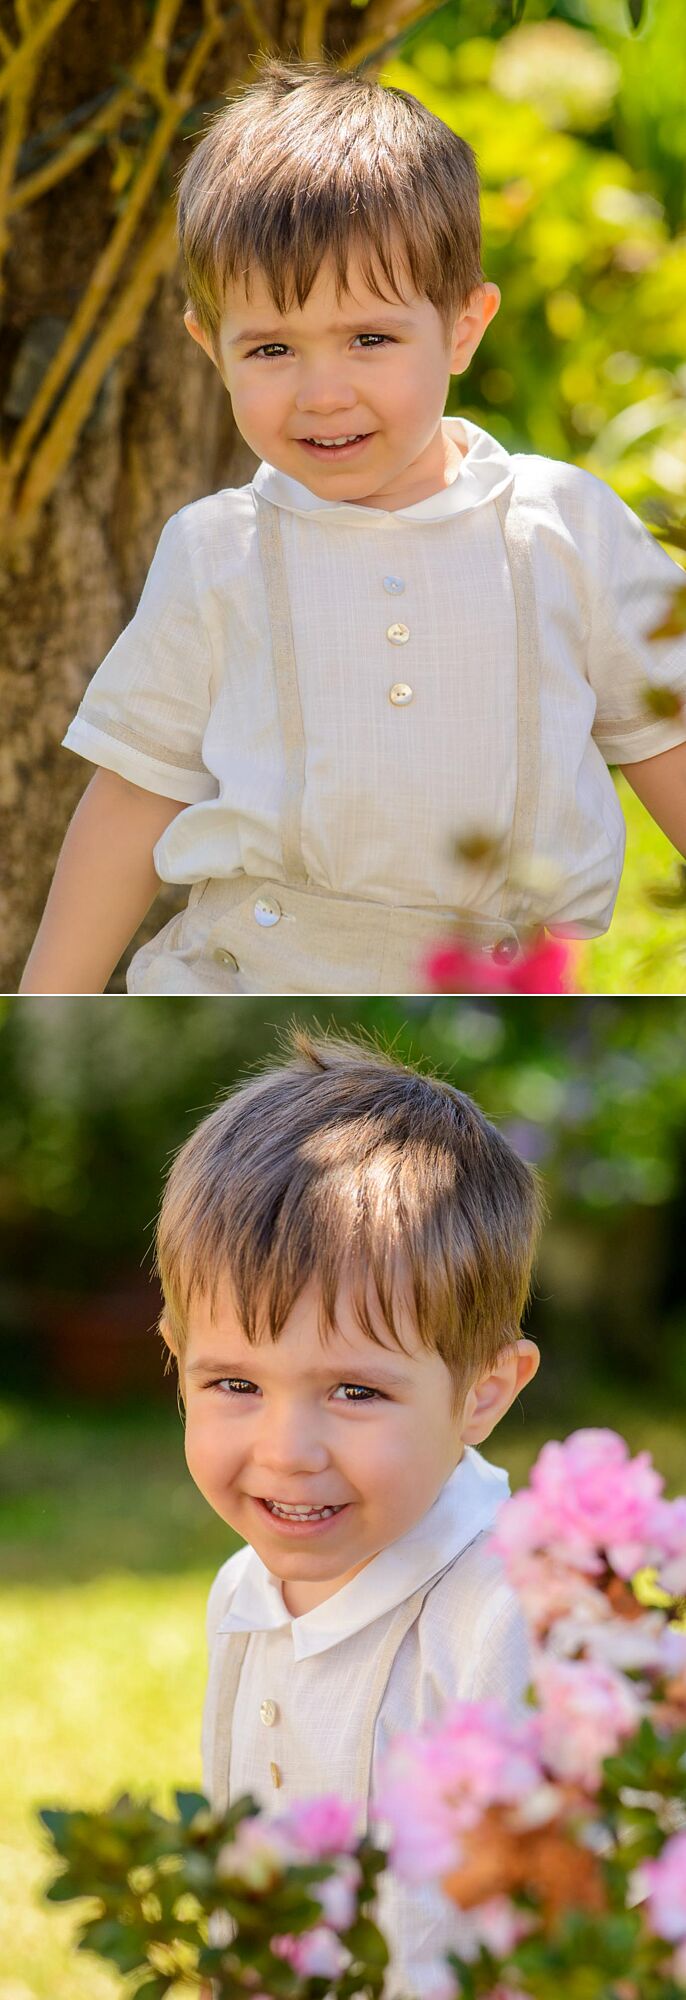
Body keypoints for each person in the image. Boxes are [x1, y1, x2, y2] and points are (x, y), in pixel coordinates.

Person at [20, 56, 686, 994]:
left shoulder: (565, 529)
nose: (323, 392)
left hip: (493, 993)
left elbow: (669, 741)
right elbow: (136, 792)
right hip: (240, 984)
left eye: (371, 339)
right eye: (273, 348)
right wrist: (50, 1009)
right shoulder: (219, 551)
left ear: (462, 326)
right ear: (211, 348)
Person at [154, 1024, 544, 1998]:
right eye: (235, 1381)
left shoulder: (504, 1613)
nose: (287, 1448)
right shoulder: (244, 1588)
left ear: (483, 1391)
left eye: (355, 1391)